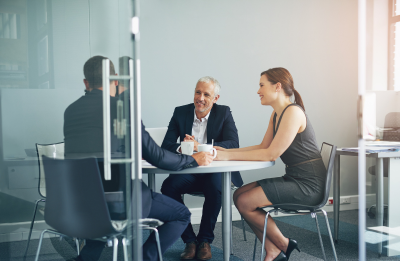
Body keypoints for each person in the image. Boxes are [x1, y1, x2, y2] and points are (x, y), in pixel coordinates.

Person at [64, 55, 214, 261]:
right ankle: (144, 257)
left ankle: (87, 257)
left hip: (83, 199)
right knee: (182, 215)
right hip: (121, 199)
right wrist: (193, 159)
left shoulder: (71, 111)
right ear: (116, 79)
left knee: (102, 206)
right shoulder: (122, 110)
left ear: (85, 83)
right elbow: (157, 157)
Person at [214, 68, 326, 261]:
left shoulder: (293, 113)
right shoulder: (277, 114)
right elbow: (263, 146)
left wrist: (226, 157)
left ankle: (283, 244)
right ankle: (273, 250)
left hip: (309, 185)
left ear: (278, 86)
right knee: (239, 195)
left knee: (244, 201)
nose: (258, 91)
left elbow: (271, 154)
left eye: (261, 85)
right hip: (294, 178)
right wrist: (226, 152)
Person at [160, 76, 243, 260]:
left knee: (216, 185)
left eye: (207, 94)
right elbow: (166, 145)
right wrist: (185, 147)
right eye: (198, 92)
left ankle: (205, 240)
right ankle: (189, 240)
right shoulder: (180, 112)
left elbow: (233, 143)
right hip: (189, 171)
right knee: (168, 187)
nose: (201, 98)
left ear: (215, 98)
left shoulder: (224, 113)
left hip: (214, 171)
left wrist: (200, 147)